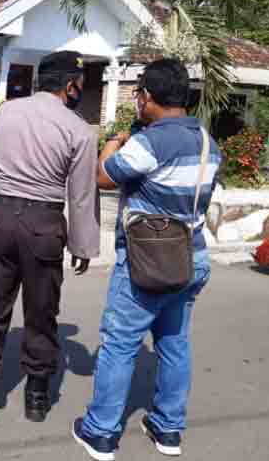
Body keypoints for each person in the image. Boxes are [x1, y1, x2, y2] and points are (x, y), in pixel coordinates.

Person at [73, 60, 222, 461]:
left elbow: (104, 177)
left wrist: (111, 143)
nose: (137, 101)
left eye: (138, 94)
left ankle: (101, 432)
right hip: (192, 256)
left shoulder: (151, 142)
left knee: (120, 343)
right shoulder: (209, 142)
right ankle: (168, 429)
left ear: (148, 97)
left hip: (147, 260)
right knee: (174, 342)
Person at [0, 50, 100, 429]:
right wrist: (83, 245)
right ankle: (36, 397)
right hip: (44, 226)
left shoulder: (3, 113)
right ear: (70, 86)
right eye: (79, 85)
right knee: (41, 315)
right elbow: (81, 194)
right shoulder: (80, 129)